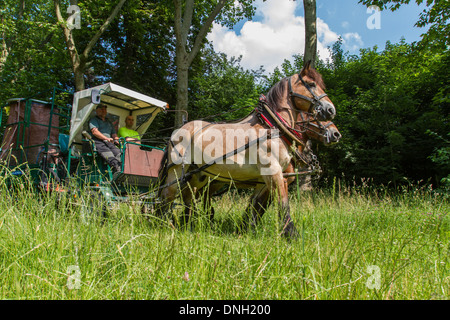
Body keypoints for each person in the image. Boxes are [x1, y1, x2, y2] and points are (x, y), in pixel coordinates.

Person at [88, 104, 122, 172]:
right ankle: (117, 175)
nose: (104, 111)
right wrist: (106, 138)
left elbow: (114, 134)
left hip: (109, 143)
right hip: (98, 142)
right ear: (97, 111)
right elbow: (95, 132)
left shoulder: (109, 122)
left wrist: (118, 140)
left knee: (120, 155)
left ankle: (123, 172)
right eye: (101, 109)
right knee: (111, 158)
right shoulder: (94, 120)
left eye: (104, 110)